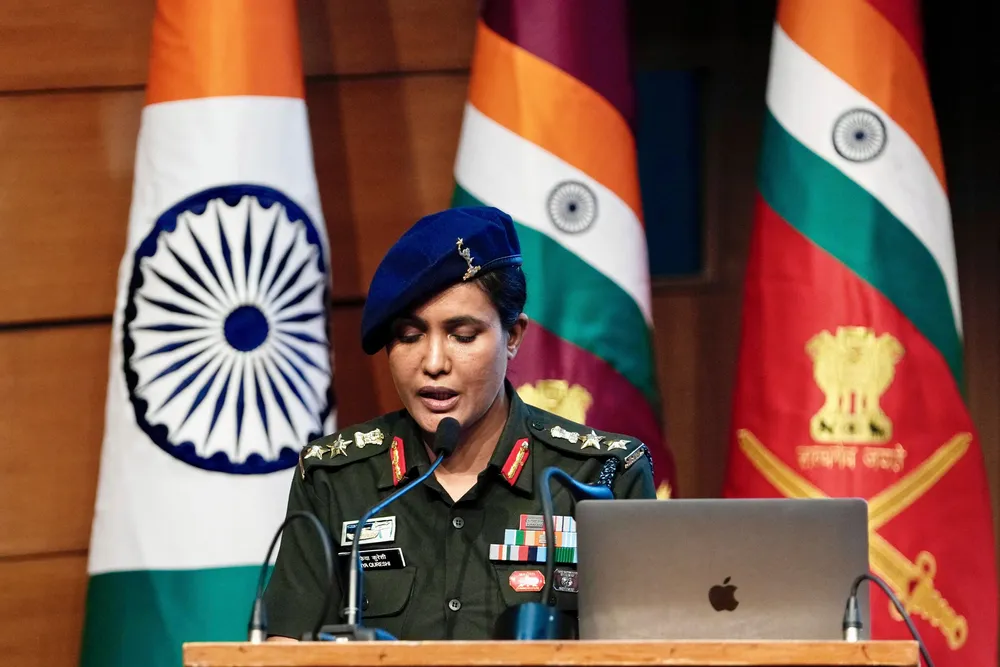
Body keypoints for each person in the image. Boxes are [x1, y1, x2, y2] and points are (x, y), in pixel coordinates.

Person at [262, 205, 657, 641]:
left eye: (462, 336)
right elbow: (285, 649)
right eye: (409, 336)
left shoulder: (600, 475)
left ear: (513, 337)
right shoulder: (335, 478)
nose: (433, 363)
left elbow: (644, 651)